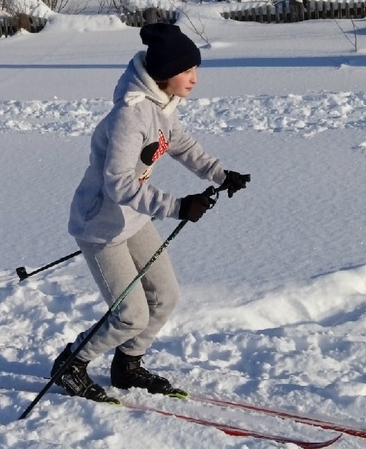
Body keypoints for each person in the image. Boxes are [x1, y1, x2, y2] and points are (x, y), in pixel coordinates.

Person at [51, 22, 250, 402]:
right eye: (187, 71)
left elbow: (181, 143)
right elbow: (119, 184)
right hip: (101, 225)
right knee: (130, 314)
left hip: (134, 219)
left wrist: (221, 174)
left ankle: (127, 366)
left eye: (196, 69)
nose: (194, 79)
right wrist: (175, 206)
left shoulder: (161, 106)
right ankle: (71, 364)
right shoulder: (131, 115)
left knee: (165, 296)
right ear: (164, 74)